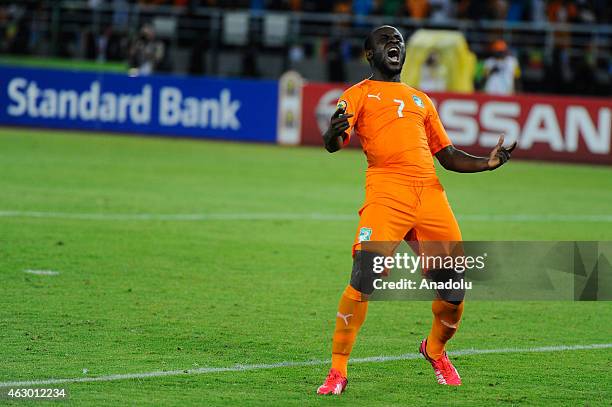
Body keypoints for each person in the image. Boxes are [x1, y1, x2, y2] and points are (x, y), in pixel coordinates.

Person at [316, 25, 517, 395]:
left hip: (429, 196)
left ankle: (435, 350)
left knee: (454, 291)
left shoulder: (422, 101)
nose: (394, 43)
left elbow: (449, 155)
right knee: (365, 278)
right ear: (369, 54)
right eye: (384, 39)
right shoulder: (357, 95)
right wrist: (331, 134)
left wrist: (486, 163)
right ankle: (337, 371)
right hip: (386, 193)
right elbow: (335, 140)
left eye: (398, 40)